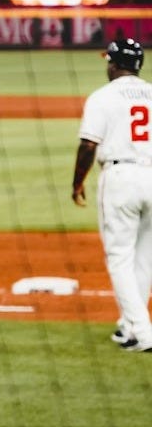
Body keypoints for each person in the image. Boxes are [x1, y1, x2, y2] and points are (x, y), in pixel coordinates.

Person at [71, 38, 152, 352]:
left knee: (119, 258)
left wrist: (77, 184)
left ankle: (143, 334)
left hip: (122, 179)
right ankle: (129, 326)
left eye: (109, 61)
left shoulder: (103, 97)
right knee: (144, 258)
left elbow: (89, 144)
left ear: (116, 64)